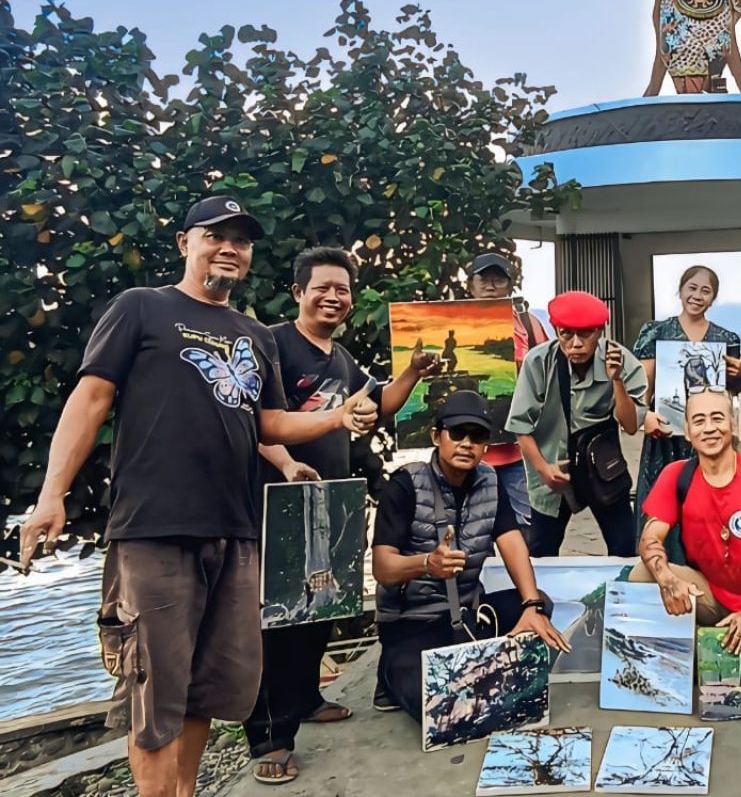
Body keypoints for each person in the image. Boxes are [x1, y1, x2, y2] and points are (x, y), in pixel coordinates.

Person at [18, 196, 379, 797]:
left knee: (206, 689)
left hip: (237, 533)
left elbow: (271, 425)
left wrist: (337, 418)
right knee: (154, 694)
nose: (229, 248)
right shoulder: (141, 308)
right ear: (185, 243)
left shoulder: (253, 336)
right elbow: (91, 399)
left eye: (241, 240)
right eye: (216, 236)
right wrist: (51, 496)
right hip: (155, 529)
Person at [244, 246, 432, 783]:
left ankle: (305, 698)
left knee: (321, 608)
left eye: (342, 289)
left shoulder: (341, 358)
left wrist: (414, 372)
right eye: (322, 287)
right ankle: (269, 739)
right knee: (277, 621)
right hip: (278, 504)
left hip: (331, 501)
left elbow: (377, 405)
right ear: (298, 292)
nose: (334, 296)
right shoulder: (272, 345)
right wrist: (283, 462)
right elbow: (254, 420)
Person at [371, 390, 569, 718]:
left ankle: (476, 662)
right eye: (457, 433)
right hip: (414, 623)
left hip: (468, 613)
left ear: (486, 447)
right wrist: (426, 564)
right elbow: (382, 568)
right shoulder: (405, 484)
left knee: (540, 603)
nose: (466, 443)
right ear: (437, 436)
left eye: (477, 436)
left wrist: (531, 606)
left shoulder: (490, 481)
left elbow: (513, 544)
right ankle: (397, 675)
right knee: (441, 712)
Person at [633, 384, 741, 652]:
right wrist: (669, 580)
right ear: (687, 432)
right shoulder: (677, 476)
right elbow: (650, 538)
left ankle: (716, 641)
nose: (709, 428)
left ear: (733, 425)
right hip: (713, 593)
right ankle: (675, 652)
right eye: (699, 421)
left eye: (717, 418)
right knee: (642, 574)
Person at [505, 290, 647, 557]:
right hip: (553, 467)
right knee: (540, 553)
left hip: (601, 468)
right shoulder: (539, 362)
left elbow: (630, 424)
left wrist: (616, 380)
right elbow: (520, 426)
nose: (576, 344)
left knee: (625, 548)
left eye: (586, 334)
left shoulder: (620, 358)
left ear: (601, 330)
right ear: (556, 330)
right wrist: (543, 469)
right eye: (566, 334)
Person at [632, 265, 741, 564]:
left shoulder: (726, 338)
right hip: (666, 437)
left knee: (710, 510)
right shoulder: (656, 332)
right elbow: (642, 388)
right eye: (692, 288)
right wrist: (645, 416)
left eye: (705, 291)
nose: (697, 296)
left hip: (710, 439)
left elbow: (731, 391)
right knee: (662, 509)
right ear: (681, 290)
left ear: (713, 299)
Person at [463, 251, 550, 534]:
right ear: (470, 285)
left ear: (510, 285)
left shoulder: (530, 326)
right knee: (471, 535)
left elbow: (549, 376)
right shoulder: (451, 325)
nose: (490, 286)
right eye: (483, 279)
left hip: (518, 453)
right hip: (468, 452)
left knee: (527, 534)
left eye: (498, 280)